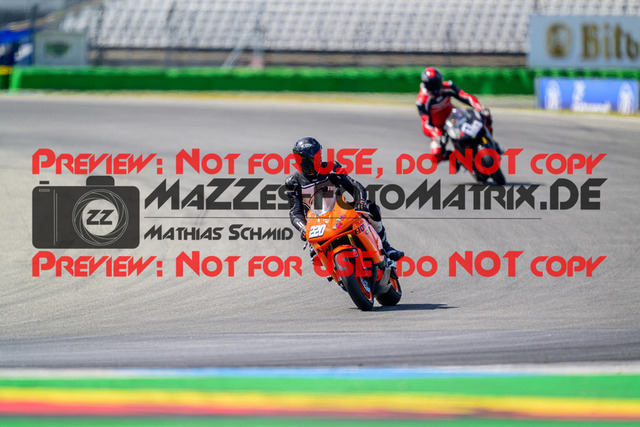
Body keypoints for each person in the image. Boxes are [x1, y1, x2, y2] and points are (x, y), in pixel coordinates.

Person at [285, 136, 404, 261]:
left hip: (339, 212)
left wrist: (361, 202)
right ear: (305, 160)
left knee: (371, 208)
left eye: (319, 154)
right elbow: (295, 212)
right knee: (315, 256)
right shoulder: (293, 182)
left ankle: (386, 247)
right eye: (316, 156)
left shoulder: (332, 168)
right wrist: (303, 228)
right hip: (317, 224)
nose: (319, 158)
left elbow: (354, 186)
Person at [416, 67, 492, 163]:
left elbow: (465, 96)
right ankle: (455, 158)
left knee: (485, 115)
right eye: (433, 84)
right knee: (436, 154)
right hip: (439, 127)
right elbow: (425, 123)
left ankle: (491, 142)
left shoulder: (447, 86)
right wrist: (436, 136)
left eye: (438, 82)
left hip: (454, 116)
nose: (437, 86)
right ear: (427, 85)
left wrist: (479, 107)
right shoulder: (422, 101)